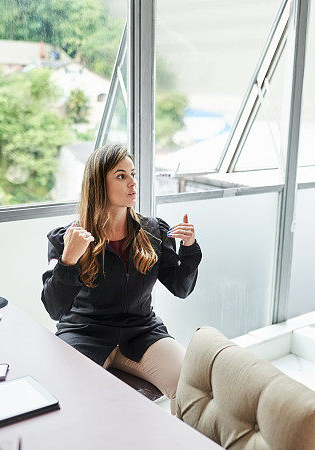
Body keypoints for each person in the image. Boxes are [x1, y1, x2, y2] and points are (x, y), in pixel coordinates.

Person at [41, 144, 202, 414]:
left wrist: (188, 249)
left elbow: (180, 288)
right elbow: (55, 309)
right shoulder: (67, 238)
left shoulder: (153, 231)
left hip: (141, 331)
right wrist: (69, 260)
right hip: (84, 333)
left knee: (189, 385)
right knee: (68, 396)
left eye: (133, 174)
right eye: (121, 176)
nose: (133, 183)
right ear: (98, 184)